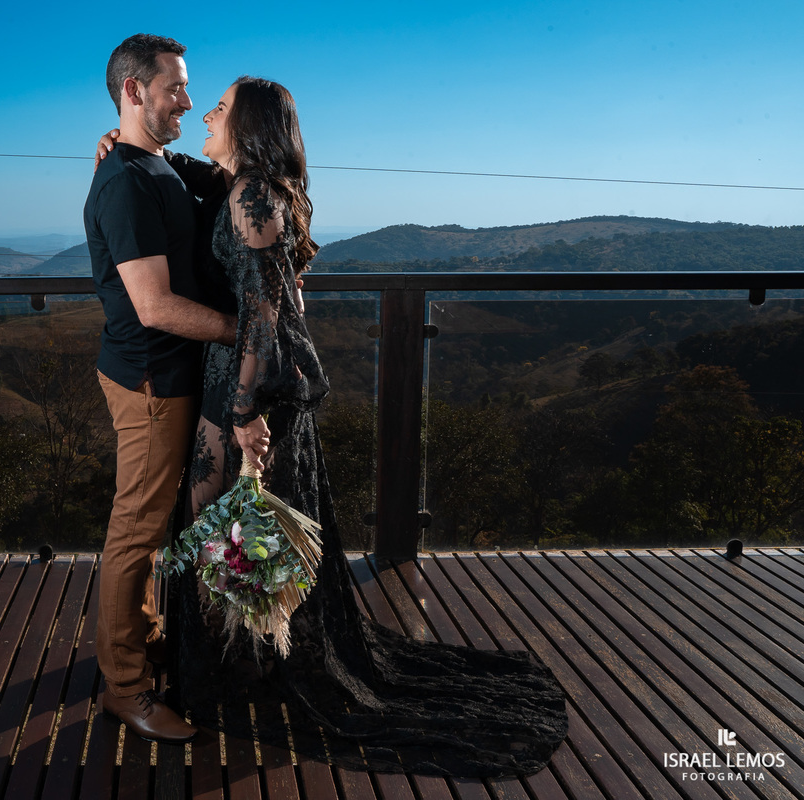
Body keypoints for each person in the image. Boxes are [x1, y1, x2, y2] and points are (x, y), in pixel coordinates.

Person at [99, 76, 568, 776]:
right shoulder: (241, 182)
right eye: (195, 97)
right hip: (233, 375)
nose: (204, 113)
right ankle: (230, 665)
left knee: (234, 529)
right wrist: (122, 146)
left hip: (243, 384)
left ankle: (240, 672)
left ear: (248, 125)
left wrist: (246, 412)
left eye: (218, 107)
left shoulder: (253, 196)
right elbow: (199, 181)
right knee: (227, 532)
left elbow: (262, 315)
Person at [83, 34, 240, 745]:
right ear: (132, 90)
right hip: (152, 379)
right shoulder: (127, 180)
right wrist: (247, 332)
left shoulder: (154, 165)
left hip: (167, 375)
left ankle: (142, 652)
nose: (187, 100)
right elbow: (154, 306)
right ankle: (125, 689)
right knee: (138, 534)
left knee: (151, 532)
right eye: (174, 87)